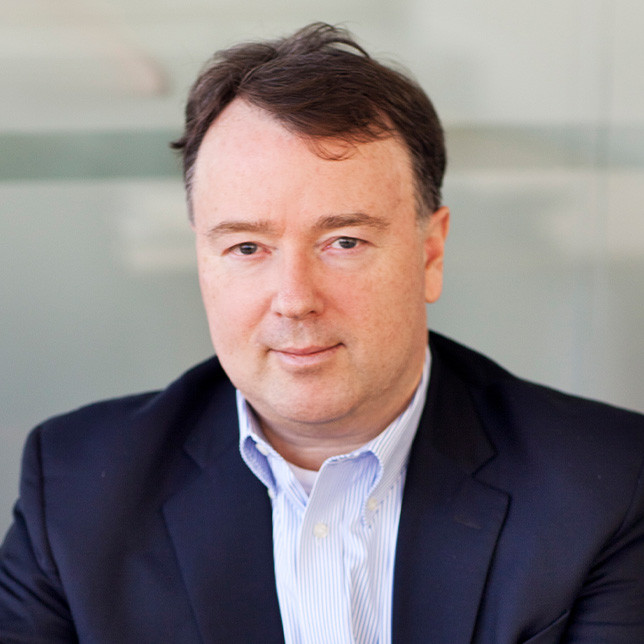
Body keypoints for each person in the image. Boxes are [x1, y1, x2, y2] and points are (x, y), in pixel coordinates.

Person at [1, 22, 643, 644]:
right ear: (202, 259)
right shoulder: (78, 489)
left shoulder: (606, 485)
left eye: (344, 241)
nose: (295, 300)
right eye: (248, 246)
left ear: (430, 253)